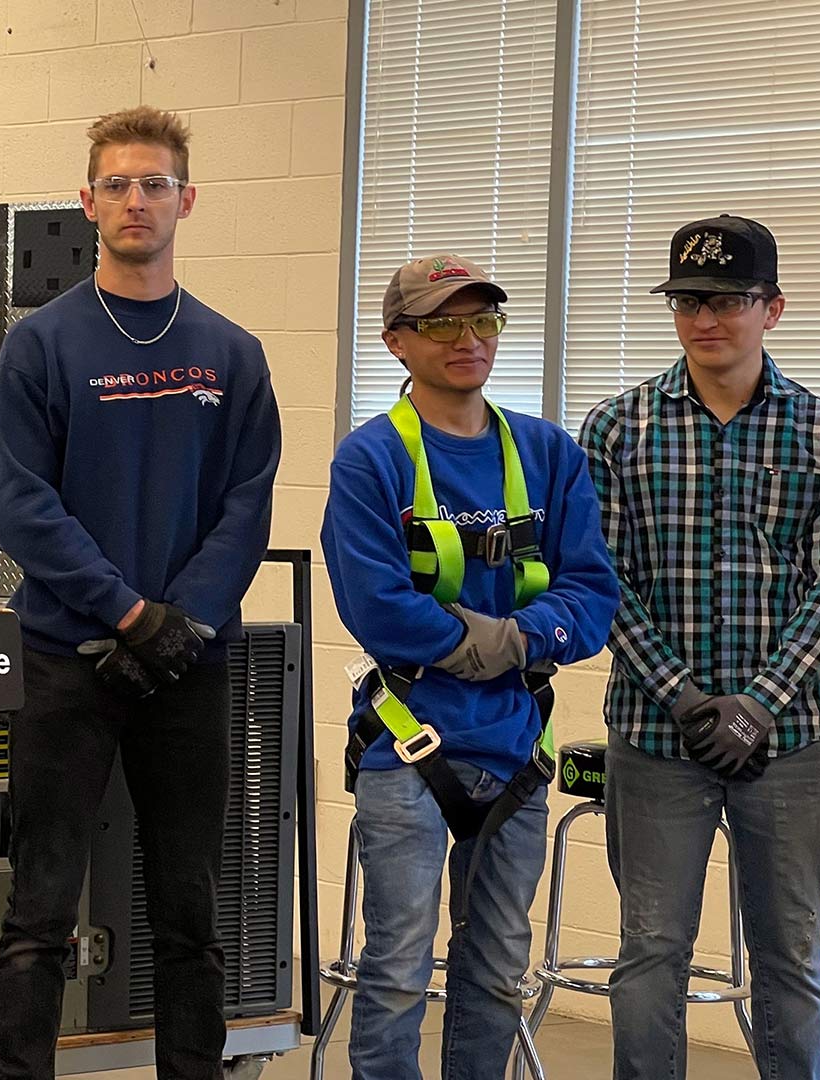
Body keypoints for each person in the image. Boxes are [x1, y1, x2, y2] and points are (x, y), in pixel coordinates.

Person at [0, 104, 281, 1080]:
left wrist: (182, 621)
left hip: (188, 667)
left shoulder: (231, 354)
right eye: (117, 183)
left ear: (187, 200)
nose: (136, 200)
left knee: (190, 911)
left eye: (155, 183)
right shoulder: (42, 347)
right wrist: (127, 612)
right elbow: (20, 503)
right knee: (40, 911)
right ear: (87, 201)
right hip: (68, 662)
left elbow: (246, 504)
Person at [320, 255, 618, 1079]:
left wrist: (517, 644)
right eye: (443, 323)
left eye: (484, 321)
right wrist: (492, 643)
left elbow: (593, 592)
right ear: (397, 342)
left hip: (516, 755)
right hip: (410, 753)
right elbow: (376, 604)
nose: (469, 340)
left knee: (493, 975)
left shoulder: (549, 454)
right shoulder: (371, 461)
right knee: (397, 972)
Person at [581, 214, 820, 1080]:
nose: (705, 319)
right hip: (658, 741)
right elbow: (600, 579)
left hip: (796, 741)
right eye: (688, 300)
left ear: (774, 308)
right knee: (651, 953)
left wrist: (761, 704)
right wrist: (688, 699)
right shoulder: (617, 429)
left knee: (791, 960)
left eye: (728, 300)